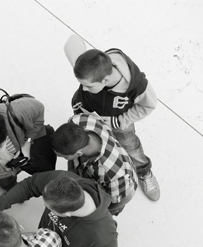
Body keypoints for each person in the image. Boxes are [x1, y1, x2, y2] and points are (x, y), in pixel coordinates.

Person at [64, 35, 160, 201]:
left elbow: (148, 105)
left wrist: (119, 121)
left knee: (131, 147)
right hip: (89, 115)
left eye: (88, 86)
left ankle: (144, 172)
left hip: (119, 123)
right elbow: (72, 43)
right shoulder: (91, 69)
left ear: (105, 80)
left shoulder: (136, 86)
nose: (84, 89)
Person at [52, 113, 138, 215]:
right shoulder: (79, 120)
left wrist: (97, 212)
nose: (65, 159)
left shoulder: (114, 176)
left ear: (79, 153)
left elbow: (122, 200)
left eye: (64, 157)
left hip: (118, 190)